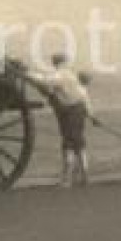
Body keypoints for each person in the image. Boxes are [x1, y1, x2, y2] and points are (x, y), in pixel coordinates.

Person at [41, 54, 95, 186]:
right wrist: (92, 116)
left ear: (55, 63)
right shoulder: (72, 77)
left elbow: (44, 81)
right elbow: (85, 100)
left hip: (71, 112)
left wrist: (28, 74)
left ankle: (68, 180)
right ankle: (84, 177)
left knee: (69, 144)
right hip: (78, 112)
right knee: (78, 143)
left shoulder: (59, 75)